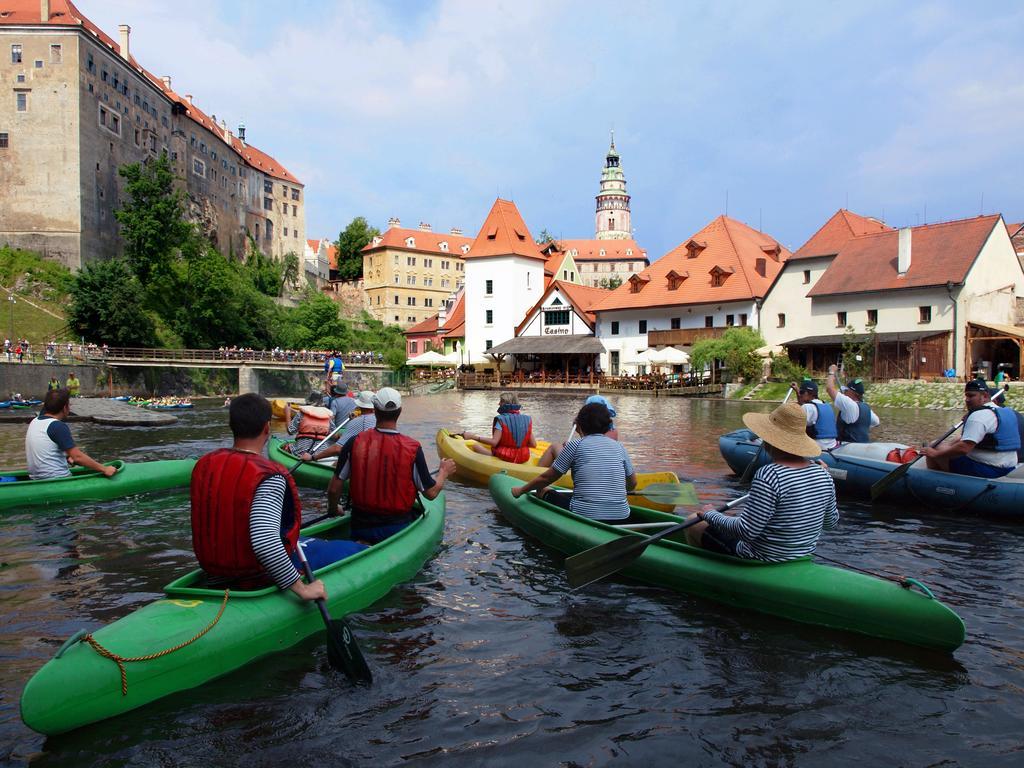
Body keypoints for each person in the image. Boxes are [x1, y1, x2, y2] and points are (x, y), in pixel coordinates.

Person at [190, 393, 365, 598]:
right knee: (356, 549)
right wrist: (303, 589)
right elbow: (265, 542)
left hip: (214, 570)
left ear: (232, 426)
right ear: (267, 428)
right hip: (256, 575)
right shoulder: (269, 477)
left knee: (302, 539)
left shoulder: (205, 464)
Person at [685, 402, 839, 560]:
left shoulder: (769, 474)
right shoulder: (824, 475)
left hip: (760, 557)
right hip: (801, 555)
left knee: (693, 521)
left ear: (769, 440)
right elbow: (830, 524)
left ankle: (708, 572)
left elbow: (746, 531)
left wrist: (711, 514)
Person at [327, 387, 455, 543]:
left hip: (360, 525)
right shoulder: (412, 448)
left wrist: (334, 509)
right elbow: (431, 493)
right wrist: (443, 472)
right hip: (397, 528)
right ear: (399, 411)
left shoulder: (354, 442)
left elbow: (334, 489)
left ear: (375, 410)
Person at [511, 402, 637, 521]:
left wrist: (521, 490)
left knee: (542, 489)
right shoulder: (619, 447)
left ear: (579, 426)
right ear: (607, 425)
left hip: (584, 514)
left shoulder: (575, 445)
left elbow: (546, 478)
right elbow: (632, 484)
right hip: (622, 515)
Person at [922, 380, 1022, 477]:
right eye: (966, 396)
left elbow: (964, 448)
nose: (967, 399)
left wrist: (936, 454)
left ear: (985, 396)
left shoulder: (978, 416)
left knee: (934, 446)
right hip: (1010, 467)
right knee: (947, 445)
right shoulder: (1007, 412)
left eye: (971, 396)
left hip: (989, 469)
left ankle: (937, 482)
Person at [25, 388, 116, 480]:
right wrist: (104, 469)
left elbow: (47, 448)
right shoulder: (58, 426)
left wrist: (67, 456)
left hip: (35, 479)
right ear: (65, 407)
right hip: (57, 479)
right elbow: (77, 457)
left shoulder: (34, 421)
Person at [537, 394, 619, 467]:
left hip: (589, 466)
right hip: (597, 464)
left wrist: (579, 432)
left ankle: (538, 473)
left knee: (554, 447)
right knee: (565, 446)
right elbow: (591, 445)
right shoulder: (611, 429)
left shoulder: (605, 430)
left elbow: (590, 450)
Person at [299, 390, 376, 463]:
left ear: (359, 405)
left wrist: (313, 457)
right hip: (372, 459)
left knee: (338, 462)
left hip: (361, 462)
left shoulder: (357, 421)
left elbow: (337, 448)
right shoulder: (380, 420)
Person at [462, 392, 537, 464]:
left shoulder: (501, 420)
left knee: (475, 446)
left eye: (501, 401)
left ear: (506, 403)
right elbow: (533, 444)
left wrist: (473, 437)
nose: (499, 404)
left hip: (506, 457)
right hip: (523, 457)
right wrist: (519, 447)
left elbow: (494, 442)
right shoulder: (526, 420)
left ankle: (492, 456)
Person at [825, 364, 878, 442]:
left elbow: (829, 388)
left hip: (847, 447)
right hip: (863, 446)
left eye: (846, 390)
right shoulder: (867, 408)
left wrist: (831, 372)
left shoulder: (849, 404)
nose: (844, 393)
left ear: (852, 393)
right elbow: (877, 422)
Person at [792, 379, 838, 451]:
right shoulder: (827, 406)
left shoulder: (807, 407)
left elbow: (793, 426)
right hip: (832, 445)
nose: (800, 394)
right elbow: (805, 405)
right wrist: (797, 390)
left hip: (817, 447)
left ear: (807, 393)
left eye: (801, 392)